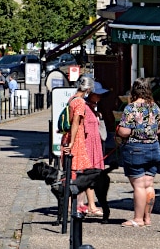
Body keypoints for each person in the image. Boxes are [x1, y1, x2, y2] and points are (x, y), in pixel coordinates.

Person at [116, 77, 160, 228]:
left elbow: (125, 131)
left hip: (135, 149)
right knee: (149, 184)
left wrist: (118, 129)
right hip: (154, 148)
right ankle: (147, 218)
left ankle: (137, 219)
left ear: (134, 90)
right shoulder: (155, 107)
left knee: (138, 185)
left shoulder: (131, 108)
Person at [61, 74, 95, 208]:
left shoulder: (72, 98)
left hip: (69, 136)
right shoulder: (80, 102)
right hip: (76, 139)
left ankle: (76, 205)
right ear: (88, 89)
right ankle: (71, 206)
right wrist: (72, 142)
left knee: (73, 172)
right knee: (78, 173)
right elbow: (75, 122)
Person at [79, 80, 108, 216]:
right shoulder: (84, 107)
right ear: (90, 93)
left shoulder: (94, 109)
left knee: (92, 175)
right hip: (87, 145)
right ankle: (90, 205)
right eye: (98, 94)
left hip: (95, 145)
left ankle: (84, 204)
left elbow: (104, 135)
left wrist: (99, 118)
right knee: (90, 175)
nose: (100, 97)